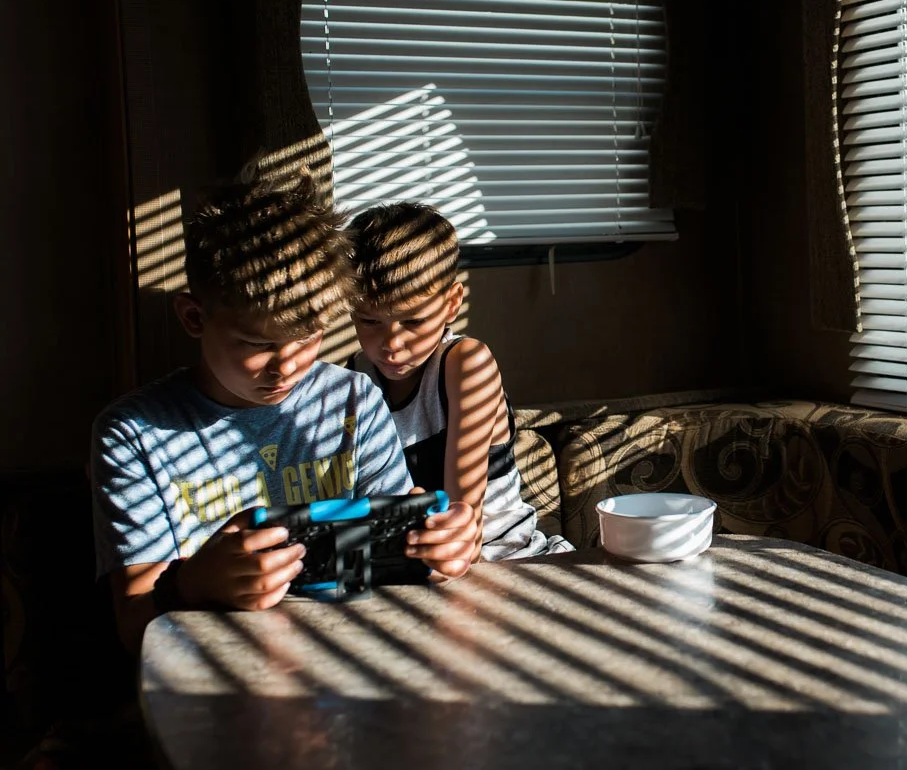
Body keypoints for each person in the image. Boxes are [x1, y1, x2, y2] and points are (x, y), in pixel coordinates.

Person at [90, 173, 479, 654]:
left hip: (353, 658)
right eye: (259, 344)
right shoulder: (134, 433)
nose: (288, 366)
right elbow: (132, 627)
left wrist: (438, 551)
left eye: (308, 337)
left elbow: (396, 567)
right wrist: (189, 584)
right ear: (194, 318)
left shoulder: (354, 400)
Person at [346, 202, 572, 560]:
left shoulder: (465, 365)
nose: (391, 345)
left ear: (452, 304)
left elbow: (461, 523)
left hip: (509, 560)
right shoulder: (353, 379)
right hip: (411, 567)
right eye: (369, 322)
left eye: (413, 321)